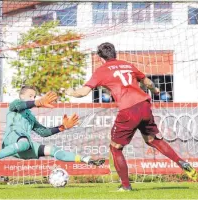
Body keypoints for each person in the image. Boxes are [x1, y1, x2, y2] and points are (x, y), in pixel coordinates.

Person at [66, 42, 198, 191]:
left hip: (128, 109)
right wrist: (155, 90)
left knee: (115, 148)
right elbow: (147, 81)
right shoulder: (127, 65)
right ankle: (181, 162)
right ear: (114, 54)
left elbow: (83, 92)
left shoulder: (101, 70)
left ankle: (126, 186)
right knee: (152, 140)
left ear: (100, 58)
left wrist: (71, 92)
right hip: (144, 105)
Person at [0, 85, 105, 175]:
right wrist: (37, 103)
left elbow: (44, 132)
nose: (33, 98)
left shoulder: (30, 116)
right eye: (30, 96)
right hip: (11, 141)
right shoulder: (14, 105)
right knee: (24, 142)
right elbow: (20, 105)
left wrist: (62, 127)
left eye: (34, 96)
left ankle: (86, 159)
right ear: (22, 96)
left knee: (52, 150)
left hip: (24, 147)